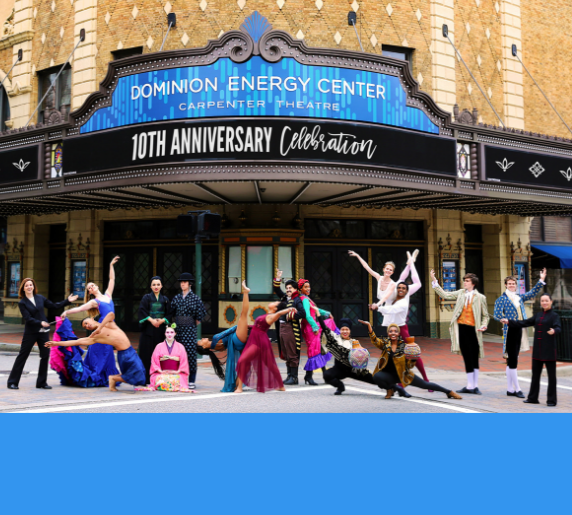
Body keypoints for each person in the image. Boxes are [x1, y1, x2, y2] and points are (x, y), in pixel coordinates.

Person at [46, 311, 146, 391]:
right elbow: (77, 342)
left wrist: (100, 327)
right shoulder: (95, 337)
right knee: (137, 374)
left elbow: (111, 314)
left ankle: (114, 379)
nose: (87, 326)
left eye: (86, 323)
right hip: (124, 354)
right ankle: (113, 379)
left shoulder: (108, 324)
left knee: (141, 372)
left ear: (92, 318)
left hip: (130, 351)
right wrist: (56, 343)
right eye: (85, 327)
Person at [59, 256, 121, 386]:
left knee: (107, 352)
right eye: (89, 288)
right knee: (99, 350)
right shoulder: (94, 302)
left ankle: (106, 377)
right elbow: (80, 308)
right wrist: (67, 312)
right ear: (90, 292)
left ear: (97, 286)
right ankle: (96, 376)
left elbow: (112, 279)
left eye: (92, 285)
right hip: (102, 329)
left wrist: (111, 265)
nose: (91, 287)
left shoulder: (108, 295)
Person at [7, 278, 77, 390]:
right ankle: (12, 382)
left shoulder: (40, 298)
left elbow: (54, 306)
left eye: (31, 285)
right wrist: (40, 323)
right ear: (23, 288)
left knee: (45, 356)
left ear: (33, 287)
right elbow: (28, 318)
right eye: (27, 285)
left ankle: (41, 382)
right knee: (22, 356)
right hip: (31, 333)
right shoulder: (22, 303)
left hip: (43, 332)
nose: (29, 287)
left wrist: (67, 301)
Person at [363, 321, 462, 399]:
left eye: (395, 331)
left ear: (398, 333)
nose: (393, 333)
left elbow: (409, 366)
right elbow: (375, 340)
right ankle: (390, 389)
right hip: (388, 375)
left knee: (425, 385)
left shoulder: (405, 347)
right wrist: (369, 327)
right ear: (388, 333)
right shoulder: (385, 344)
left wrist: (413, 359)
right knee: (376, 377)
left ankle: (449, 392)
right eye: (390, 331)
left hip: (404, 375)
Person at [431, 269, 489, 395]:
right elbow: (446, 295)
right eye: (464, 281)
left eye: (467, 281)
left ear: (473, 283)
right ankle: (469, 385)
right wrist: (435, 282)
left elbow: (486, 316)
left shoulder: (480, 298)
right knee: (467, 356)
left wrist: (484, 325)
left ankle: (475, 385)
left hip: (474, 329)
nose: (465, 283)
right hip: (461, 328)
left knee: (474, 356)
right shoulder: (461, 293)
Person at [377, 254, 431, 386]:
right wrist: (409, 263)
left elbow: (417, 282)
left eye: (404, 288)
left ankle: (425, 379)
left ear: (407, 290)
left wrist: (412, 265)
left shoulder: (405, 297)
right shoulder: (395, 287)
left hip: (401, 328)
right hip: (391, 328)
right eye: (400, 287)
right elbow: (402, 276)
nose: (401, 288)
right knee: (393, 354)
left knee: (412, 353)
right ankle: (398, 380)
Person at [493, 268, 546, 398]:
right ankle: (517, 389)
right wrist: (503, 319)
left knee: (512, 359)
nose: (512, 285)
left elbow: (532, 293)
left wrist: (541, 280)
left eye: (513, 284)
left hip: (520, 329)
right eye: (509, 284)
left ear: (516, 285)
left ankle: (510, 389)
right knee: (512, 359)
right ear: (506, 285)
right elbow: (496, 315)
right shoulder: (501, 299)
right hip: (510, 330)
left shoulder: (519, 297)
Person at [501, 293, 561, 406]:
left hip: (549, 350)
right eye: (542, 301)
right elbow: (524, 322)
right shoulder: (537, 315)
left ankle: (551, 400)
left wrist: (554, 331)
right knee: (535, 375)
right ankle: (533, 398)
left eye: (546, 301)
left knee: (551, 377)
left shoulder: (554, 316)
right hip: (537, 350)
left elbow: (558, 327)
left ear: (551, 302)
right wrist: (509, 322)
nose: (544, 302)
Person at [235, 283, 296, 393]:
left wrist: (288, 310)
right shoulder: (267, 315)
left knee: (242, 361)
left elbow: (279, 314)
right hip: (257, 340)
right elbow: (258, 326)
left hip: (258, 342)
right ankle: (281, 386)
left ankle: (239, 388)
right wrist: (248, 326)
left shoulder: (272, 316)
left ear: (275, 308)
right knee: (270, 365)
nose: (272, 302)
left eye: (274, 303)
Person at [197, 280, 251, 393]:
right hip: (236, 339)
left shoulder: (215, 346)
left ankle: (238, 385)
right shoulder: (216, 339)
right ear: (204, 347)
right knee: (243, 315)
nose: (202, 339)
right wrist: (240, 326)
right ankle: (245, 292)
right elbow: (229, 331)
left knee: (242, 361)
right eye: (201, 341)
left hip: (236, 342)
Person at [348, 249, 419, 321]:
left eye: (390, 270)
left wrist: (377, 304)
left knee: (415, 284)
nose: (388, 271)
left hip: (397, 297)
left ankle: (411, 262)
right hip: (389, 302)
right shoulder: (379, 277)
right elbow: (366, 266)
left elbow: (385, 297)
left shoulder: (392, 284)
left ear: (392, 273)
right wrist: (357, 255)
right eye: (387, 269)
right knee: (401, 279)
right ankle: (411, 261)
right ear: (383, 269)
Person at [320, 317, 376, 395]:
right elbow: (325, 329)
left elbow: (362, 357)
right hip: (339, 370)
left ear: (350, 331)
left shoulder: (354, 343)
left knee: (375, 380)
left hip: (353, 370)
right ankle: (340, 387)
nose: (345, 331)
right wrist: (318, 315)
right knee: (327, 375)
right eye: (343, 329)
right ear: (340, 330)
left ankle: (393, 387)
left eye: (347, 329)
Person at [291, 278, 332, 385]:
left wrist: (327, 313)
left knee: (316, 349)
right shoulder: (304, 299)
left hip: (311, 326)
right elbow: (307, 315)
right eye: (306, 287)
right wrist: (314, 327)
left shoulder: (306, 299)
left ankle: (319, 375)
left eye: (309, 286)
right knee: (314, 350)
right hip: (310, 328)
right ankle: (310, 376)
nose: (308, 289)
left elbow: (314, 310)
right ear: (300, 289)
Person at [170, 272, 206, 390]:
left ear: (190, 284)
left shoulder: (195, 299)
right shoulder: (176, 298)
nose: (182, 284)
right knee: (177, 355)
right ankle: (180, 378)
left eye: (185, 282)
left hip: (190, 330)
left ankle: (191, 379)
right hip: (179, 330)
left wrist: (189, 324)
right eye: (181, 282)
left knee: (190, 355)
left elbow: (199, 318)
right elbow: (172, 314)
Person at [138, 276, 171, 384]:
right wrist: (151, 320)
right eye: (154, 284)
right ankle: (145, 379)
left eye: (158, 284)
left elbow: (169, 314)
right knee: (146, 355)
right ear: (150, 286)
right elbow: (142, 311)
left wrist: (162, 321)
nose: (156, 287)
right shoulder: (146, 298)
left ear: (161, 286)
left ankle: (159, 378)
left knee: (159, 355)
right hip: (148, 329)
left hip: (160, 330)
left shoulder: (165, 299)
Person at [138, 325, 190, 392]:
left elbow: (184, 362)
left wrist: (178, 371)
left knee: (178, 379)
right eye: (167, 332)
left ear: (175, 333)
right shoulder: (159, 346)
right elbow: (154, 361)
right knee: (159, 378)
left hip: (177, 373)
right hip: (162, 372)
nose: (169, 334)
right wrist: (160, 370)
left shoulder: (180, 346)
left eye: (171, 332)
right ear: (164, 334)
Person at [272, 269, 303, 384]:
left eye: (290, 288)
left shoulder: (297, 300)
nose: (288, 290)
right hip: (282, 328)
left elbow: (303, 313)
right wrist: (278, 277)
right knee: (285, 352)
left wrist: (291, 315)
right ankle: (289, 375)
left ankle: (294, 378)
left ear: (295, 289)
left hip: (290, 328)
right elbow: (276, 289)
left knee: (291, 353)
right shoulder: (285, 298)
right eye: (287, 288)